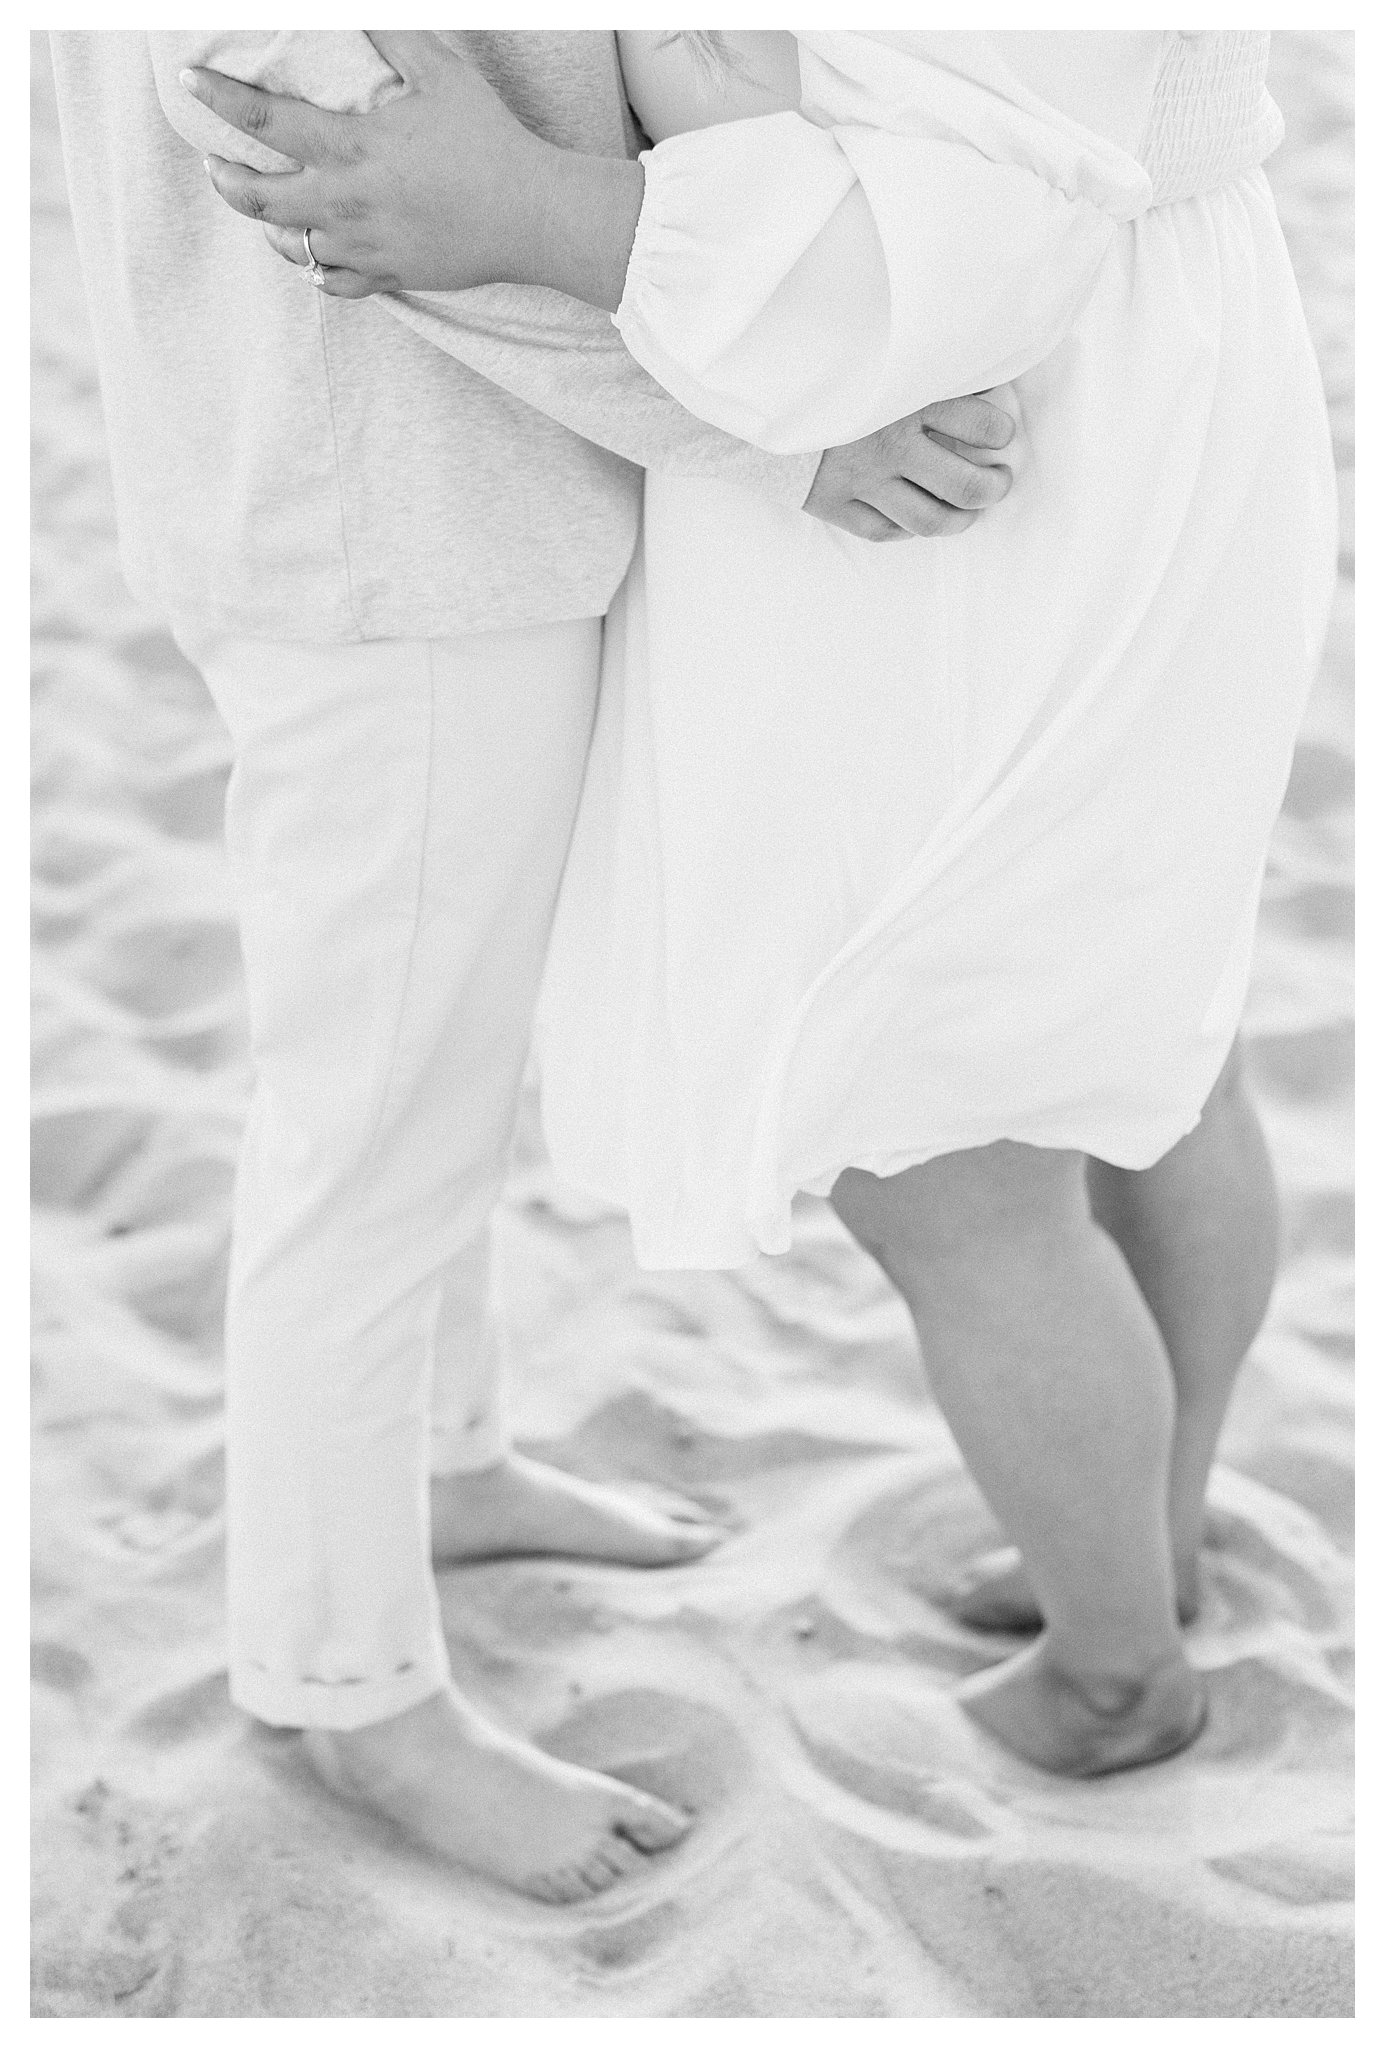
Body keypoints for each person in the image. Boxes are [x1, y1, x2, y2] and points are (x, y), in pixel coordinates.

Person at [190, 28, 1338, 1777]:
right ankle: (1140, 1550)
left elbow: (957, 214)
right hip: (1135, 360)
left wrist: (544, 214)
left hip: (961, 414)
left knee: (953, 1144)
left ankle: (1114, 1663)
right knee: (1141, 1034)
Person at [47, 29, 1016, 1899]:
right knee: (369, 1145)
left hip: (460, 519)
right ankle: (347, 1692)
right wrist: (776, 427)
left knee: (437, 1087)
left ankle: (449, 1461)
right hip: (385, 553)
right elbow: (338, 177)